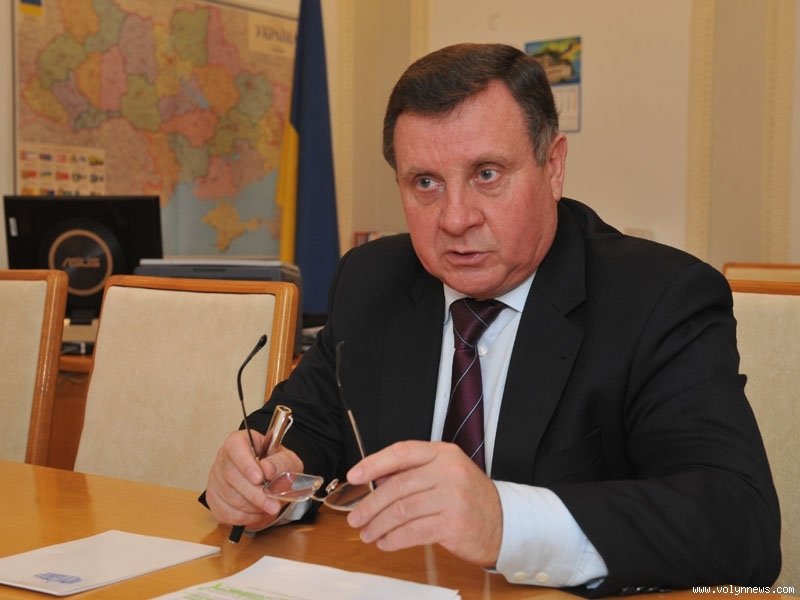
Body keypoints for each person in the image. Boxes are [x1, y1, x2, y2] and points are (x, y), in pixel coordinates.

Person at [204, 43, 780, 595]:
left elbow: (739, 525)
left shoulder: (658, 298)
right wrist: (264, 479)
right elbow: (308, 427)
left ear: (553, 167)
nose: (455, 219)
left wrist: (505, 521)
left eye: (486, 174)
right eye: (425, 183)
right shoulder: (373, 280)